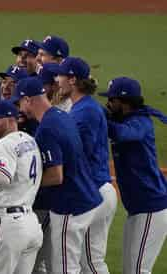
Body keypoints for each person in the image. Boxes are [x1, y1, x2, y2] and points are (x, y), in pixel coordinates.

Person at [12, 77, 104, 274]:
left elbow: (55, 176)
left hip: (70, 205)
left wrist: (26, 183)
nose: (19, 108)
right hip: (86, 198)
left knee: (64, 268)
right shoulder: (61, 115)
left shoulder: (47, 128)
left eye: (19, 102)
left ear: (28, 99)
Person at [54, 57, 117, 273]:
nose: (57, 80)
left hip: (89, 193)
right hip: (101, 190)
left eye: (60, 76)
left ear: (72, 80)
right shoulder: (87, 106)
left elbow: (77, 154)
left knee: (68, 265)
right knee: (92, 263)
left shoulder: (84, 111)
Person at [99, 77, 167, 274]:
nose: (109, 103)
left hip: (151, 208)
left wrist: (101, 116)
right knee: (130, 269)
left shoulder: (140, 122)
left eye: (112, 100)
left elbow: (123, 134)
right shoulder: (123, 119)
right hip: (137, 209)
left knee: (138, 271)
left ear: (125, 101)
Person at [0, 99, 43, 274]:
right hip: (31, 224)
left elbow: (2, 176)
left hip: (8, 227)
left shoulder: (4, 144)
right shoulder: (29, 140)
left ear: (11, 119)